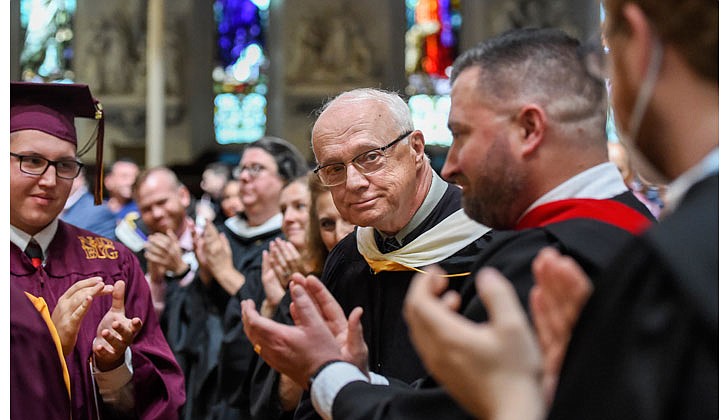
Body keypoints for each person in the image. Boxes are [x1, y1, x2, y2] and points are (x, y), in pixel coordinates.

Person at [241, 28, 657, 420]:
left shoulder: (526, 254)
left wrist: (333, 376)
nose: (453, 164)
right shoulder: (646, 236)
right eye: (332, 168)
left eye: (461, 134)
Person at [404, 1, 718, 419]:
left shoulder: (683, 257)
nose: (452, 166)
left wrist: (516, 403)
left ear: (640, 47)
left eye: (606, 61)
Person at [243, 87, 493, 420]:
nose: (354, 182)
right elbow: (315, 398)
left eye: (370, 156)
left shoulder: (486, 244)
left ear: (416, 148)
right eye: (333, 168)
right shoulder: (350, 256)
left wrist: (352, 385)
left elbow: (477, 399)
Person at [10, 81, 185, 419]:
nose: (49, 180)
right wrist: (48, 346)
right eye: (31, 161)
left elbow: (161, 400)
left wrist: (114, 365)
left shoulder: (112, 263)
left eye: (64, 166)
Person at [166, 136, 308, 420]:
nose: (243, 176)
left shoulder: (293, 240)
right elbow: (198, 311)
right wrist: (204, 275)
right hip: (209, 373)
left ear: (285, 179)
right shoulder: (222, 231)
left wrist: (224, 272)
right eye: (241, 169)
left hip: (252, 385)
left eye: (256, 169)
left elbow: (276, 313)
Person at [132, 166, 198, 317]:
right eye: (147, 209)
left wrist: (181, 270)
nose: (157, 213)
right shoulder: (137, 255)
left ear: (183, 196)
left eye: (162, 202)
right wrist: (155, 280)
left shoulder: (208, 242)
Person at [61, 166, 117, 239]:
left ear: (79, 178)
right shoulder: (50, 205)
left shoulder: (98, 212)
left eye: (62, 175)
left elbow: (103, 248)